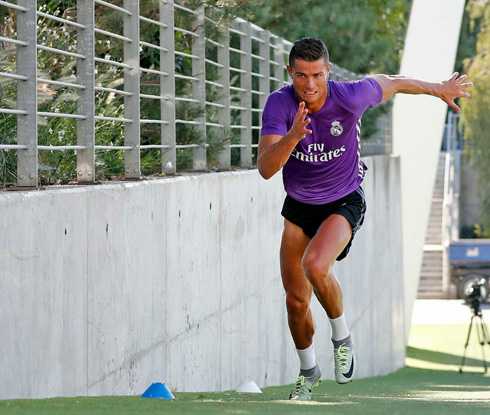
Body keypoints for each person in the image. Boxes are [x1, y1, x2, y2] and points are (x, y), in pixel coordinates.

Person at [258, 37, 472, 401]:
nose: (309, 84)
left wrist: (438, 89)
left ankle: (341, 338)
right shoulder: (279, 104)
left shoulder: (351, 96)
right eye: (300, 76)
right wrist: (293, 135)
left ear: (328, 71)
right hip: (299, 204)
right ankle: (308, 372)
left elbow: (395, 81)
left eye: (316, 75)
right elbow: (265, 168)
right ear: (289, 73)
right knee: (295, 301)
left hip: (344, 198)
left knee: (316, 265)